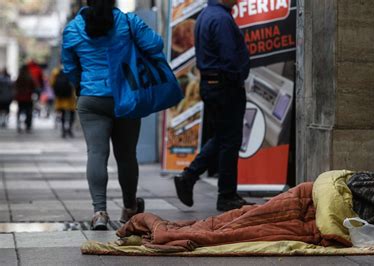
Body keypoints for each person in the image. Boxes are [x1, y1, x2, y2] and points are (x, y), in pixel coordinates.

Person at [62, 0, 163, 229]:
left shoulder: (73, 28)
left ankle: (99, 213)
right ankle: (129, 208)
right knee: (126, 155)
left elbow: (69, 67)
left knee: (96, 153)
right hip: (125, 97)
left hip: (91, 98)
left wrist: (82, 85)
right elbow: (156, 45)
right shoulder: (128, 22)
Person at [174, 0, 253, 212]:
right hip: (225, 87)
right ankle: (226, 195)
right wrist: (238, 78)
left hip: (212, 85)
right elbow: (230, 57)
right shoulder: (221, 18)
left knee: (222, 137)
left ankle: (188, 177)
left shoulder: (207, 15)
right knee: (230, 140)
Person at [51, 67, 76, 138]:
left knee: (62, 113)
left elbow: (52, 83)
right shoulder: (72, 69)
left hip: (60, 97)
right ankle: (70, 129)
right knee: (72, 113)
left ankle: (63, 129)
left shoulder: (56, 71)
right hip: (71, 96)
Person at [14, 65, 36, 133]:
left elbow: (15, 86)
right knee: (28, 112)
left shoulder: (19, 77)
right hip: (28, 97)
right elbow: (34, 85)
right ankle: (28, 126)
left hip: (20, 97)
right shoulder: (29, 77)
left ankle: (19, 124)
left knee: (20, 111)